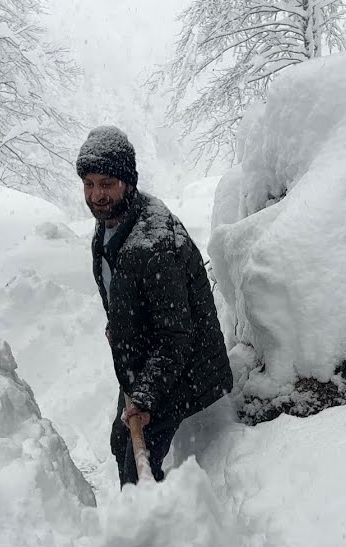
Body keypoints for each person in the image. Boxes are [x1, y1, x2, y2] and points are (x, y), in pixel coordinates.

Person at [77, 125, 234, 486]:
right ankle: (141, 518)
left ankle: (154, 529)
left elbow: (177, 337)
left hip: (188, 370)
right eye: (89, 184)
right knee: (123, 443)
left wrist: (145, 398)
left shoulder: (155, 245)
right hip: (150, 358)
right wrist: (118, 325)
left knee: (136, 459)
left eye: (107, 184)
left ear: (127, 183)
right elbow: (123, 291)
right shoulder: (109, 228)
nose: (96, 195)